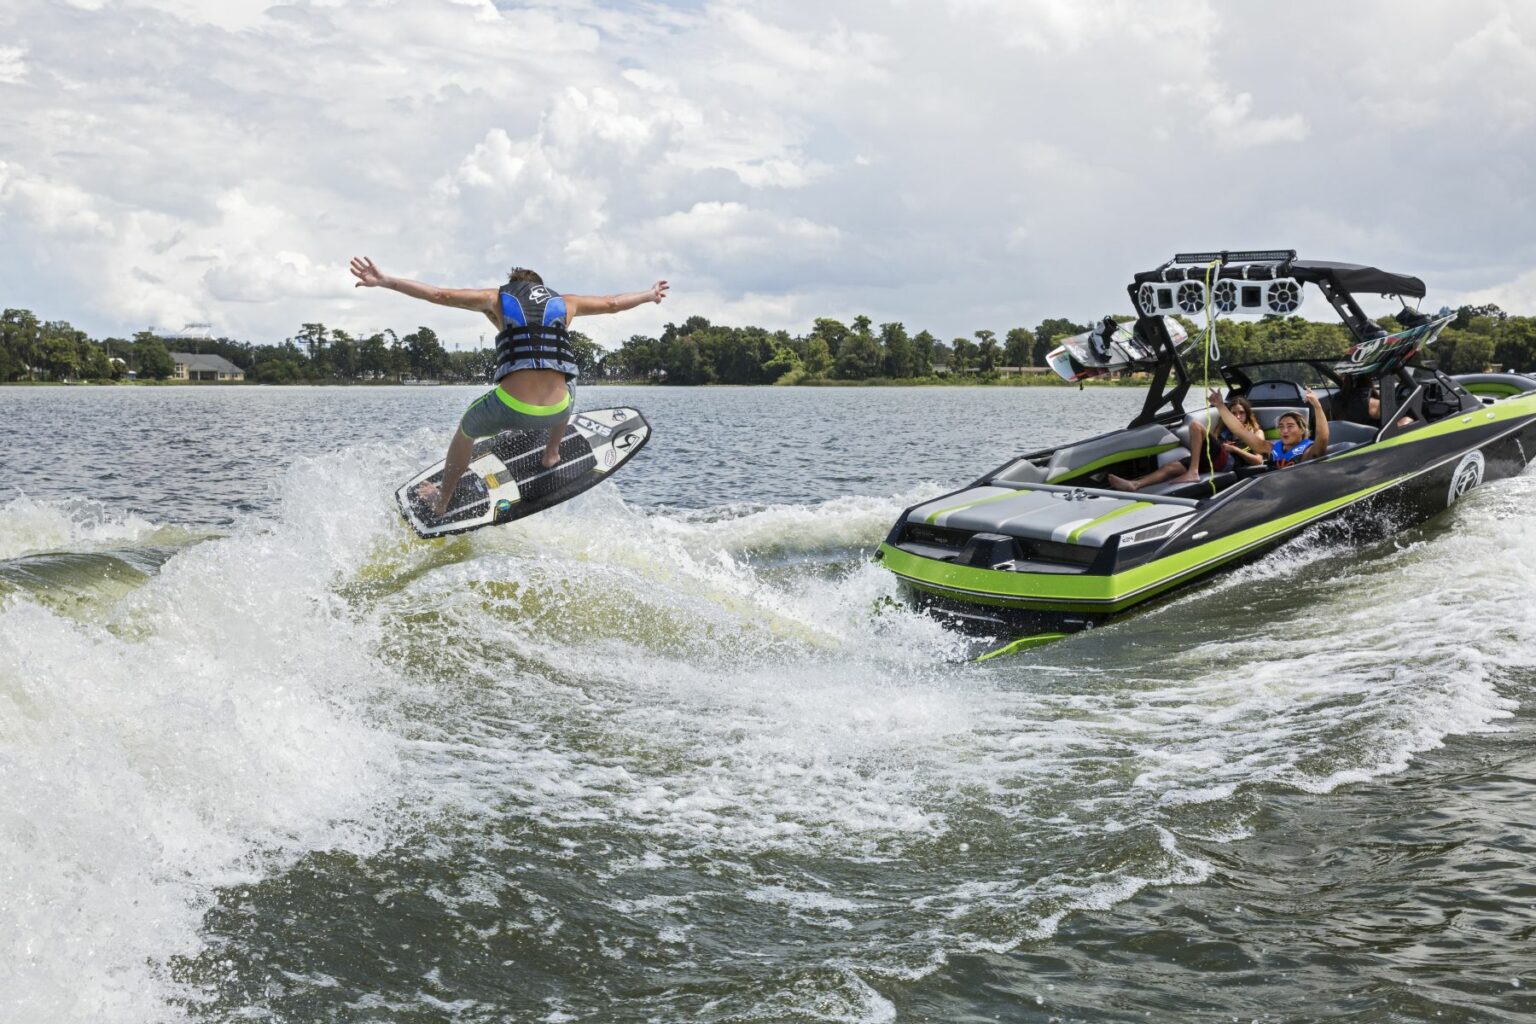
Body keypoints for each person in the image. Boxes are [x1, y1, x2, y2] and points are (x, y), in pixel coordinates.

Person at [349, 257, 668, 517]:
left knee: (466, 429)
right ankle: (551, 454)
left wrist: (385, 281)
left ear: (513, 286)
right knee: (570, 383)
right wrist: (649, 294)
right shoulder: (566, 303)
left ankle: (442, 501)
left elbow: (439, 295)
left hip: (511, 407)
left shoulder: (496, 298)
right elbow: (613, 303)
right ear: (540, 289)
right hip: (557, 409)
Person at [1108, 393, 1261, 492]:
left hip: (1229, 462)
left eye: (1241, 413)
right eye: (1233, 413)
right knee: (1170, 467)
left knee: (1195, 425)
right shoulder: (1221, 429)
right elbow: (1212, 445)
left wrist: (1235, 450)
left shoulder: (1255, 432)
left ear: (1247, 415)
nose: (1237, 416)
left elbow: (1258, 460)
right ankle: (1134, 485)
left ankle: (1192, 472)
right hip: (1211, 459)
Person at [1266, 388, 1330, 467]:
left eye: (1290, 426)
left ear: (1302, 430)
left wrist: (1317, 406)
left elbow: (1322, 437)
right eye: (1281, 426)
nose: (1285, 430)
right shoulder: (1272, 448)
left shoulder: (1307, 452)